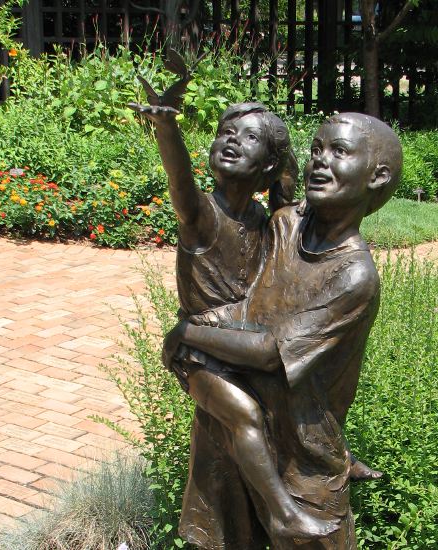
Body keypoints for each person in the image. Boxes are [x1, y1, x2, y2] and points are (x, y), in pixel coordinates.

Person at [165, 113, 403, 549]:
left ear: (378, 176)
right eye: (316, 150)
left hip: (304, 461)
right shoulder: (285, 224)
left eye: (339, 152)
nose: (321, 162)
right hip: (235, 430)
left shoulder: (353, 276)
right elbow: (242, 297)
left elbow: (269, 351)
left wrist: (185, 333)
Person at [129, 95, 341, 540]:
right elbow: (180, 183)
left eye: (248, 138)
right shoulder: (203, 216)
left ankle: (329, 461)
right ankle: (282, 510)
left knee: (289, 398)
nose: (231, 141)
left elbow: (286, 190)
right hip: (198, 354)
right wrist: (167, 129)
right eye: (226, 132)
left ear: (266, 168)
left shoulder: (262, 216)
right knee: (244, 414)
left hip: (239, 347)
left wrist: (274, 142)